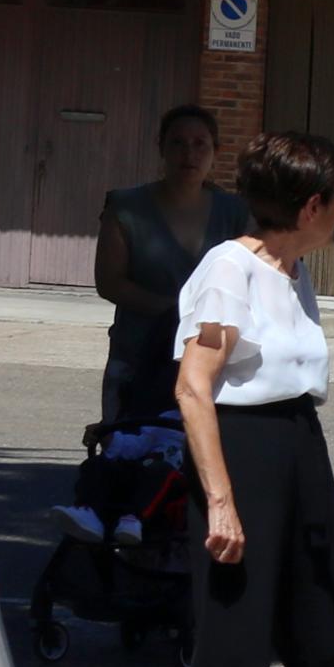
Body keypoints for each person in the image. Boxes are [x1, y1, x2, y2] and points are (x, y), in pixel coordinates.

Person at [147, 127, 334, 667]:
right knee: (232, 640)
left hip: (301, 447)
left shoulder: (294, 270)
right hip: (240, 453)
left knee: (322, 633)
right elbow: (192, 387)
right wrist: (220, 501)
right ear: (310, 205)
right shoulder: (227, 270)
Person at [95, 103, 246, 427]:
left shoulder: (236, 212)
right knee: (131, 458)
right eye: (177, 142)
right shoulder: (126, 207)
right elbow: (109, 282)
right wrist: (175, 311)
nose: (188, 153)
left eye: (199, 144)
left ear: (215, 151)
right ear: (161, 148)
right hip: (139, 358)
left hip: (211, 359)